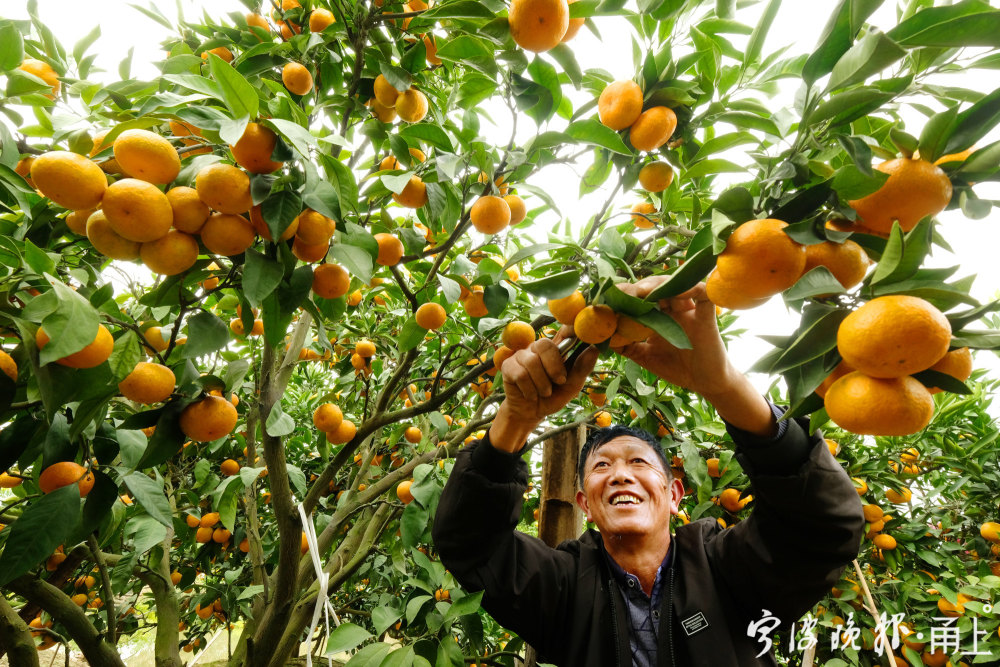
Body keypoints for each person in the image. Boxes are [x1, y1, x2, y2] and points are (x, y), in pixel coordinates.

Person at [431, 279, 865, 666]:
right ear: (586, 504)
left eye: (638, 462)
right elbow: (470, 544)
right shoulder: (563, 587)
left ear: (675, 494)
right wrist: (517, 418)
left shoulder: (726, 571)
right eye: (602, 467)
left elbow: (824, 527)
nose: (620, 475)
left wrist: (724, 387)